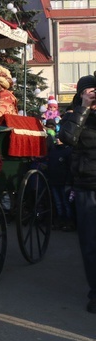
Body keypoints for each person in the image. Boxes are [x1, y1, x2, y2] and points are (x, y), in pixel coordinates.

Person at [59, 74, 96, 313]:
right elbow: (68, 138)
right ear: (80, 93)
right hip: (88, 186)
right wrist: (83, 109)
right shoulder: (73, 116)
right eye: (88, 90)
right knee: (91, 244)